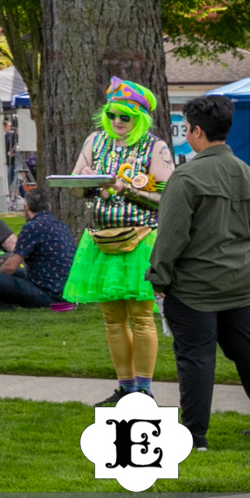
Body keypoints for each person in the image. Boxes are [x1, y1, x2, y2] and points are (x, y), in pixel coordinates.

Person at [150, 95, 250, 448]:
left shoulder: (187, 177)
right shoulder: (249, 175)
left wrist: (159, 280)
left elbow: (170, 238)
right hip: (240, 282)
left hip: (195, 289)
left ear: (195, 131)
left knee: (196, 358)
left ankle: (195, 437)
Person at [62, 77, 175, 404]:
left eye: (124, 116)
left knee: (141, 317)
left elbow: (166, 196)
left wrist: (129, 190)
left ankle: (144, 390)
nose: (117, 122)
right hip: (100, 243)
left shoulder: (155, 147)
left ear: (139, 117)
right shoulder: (95, 141)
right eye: (112, 115)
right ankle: (125, 387)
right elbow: (75, 187)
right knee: (112, 319)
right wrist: (82, 181)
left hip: (139, 242)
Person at [0, 190, 76, 310]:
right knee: (18, 274)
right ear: (49, 206)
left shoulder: (32, 227)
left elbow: (10, 267)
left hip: (48, 293)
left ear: (26, 207)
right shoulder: (62, 226)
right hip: (67, 290)